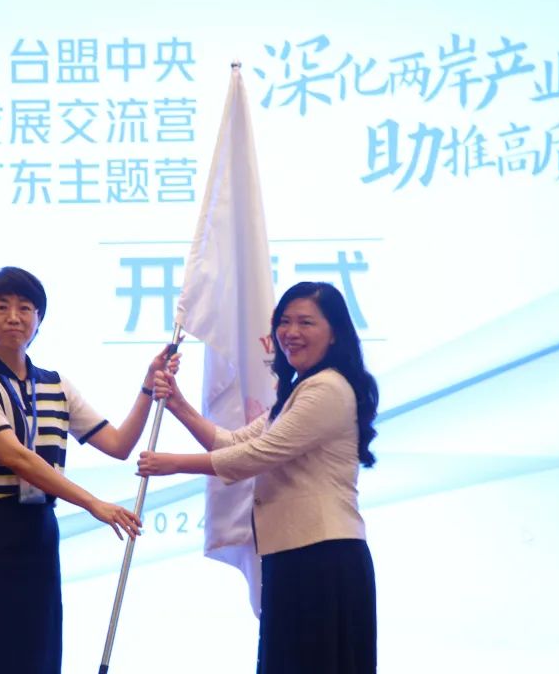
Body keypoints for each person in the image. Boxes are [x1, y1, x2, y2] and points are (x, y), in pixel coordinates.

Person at [0, 266, 179, 674]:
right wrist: (93, 504)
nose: (14, 317)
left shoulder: (56, 385)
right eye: (1, 307)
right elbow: (17, 457)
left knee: (37, 644)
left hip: (38, 527)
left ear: (39, 319)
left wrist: (147, 384)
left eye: (25, 308)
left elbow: (119, 444)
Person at [137, 281, 379, 674]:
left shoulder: (328, 388)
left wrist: (174, 463)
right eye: (284, 321)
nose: (291, 332)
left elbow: (257, 456)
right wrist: (178, 404)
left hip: (323, 559)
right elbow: (233, 442)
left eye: (306, 322)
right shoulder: (300, 389)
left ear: (335, 332)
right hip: (296, 554)